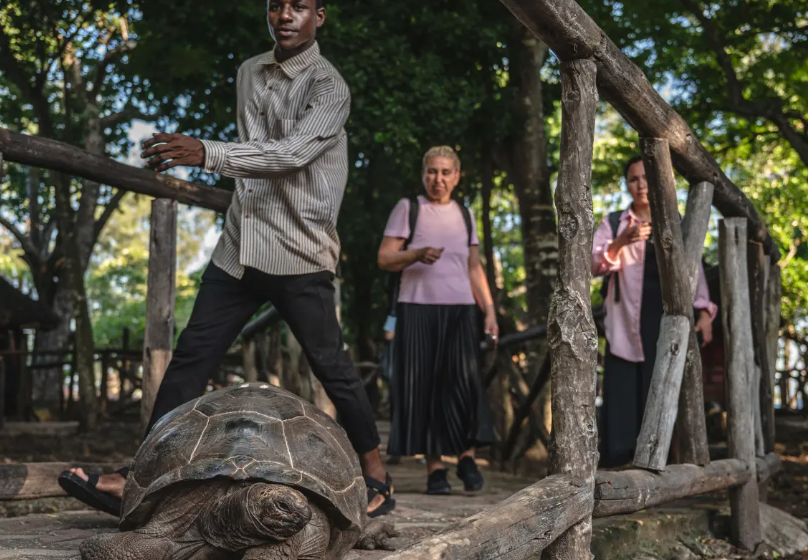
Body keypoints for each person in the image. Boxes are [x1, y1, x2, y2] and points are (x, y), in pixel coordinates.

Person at [58, 0, 395, 519]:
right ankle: (140, 477)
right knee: (191, 357)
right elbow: (255, 149)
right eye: (276, 4)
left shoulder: (330, 88)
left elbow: (290, 154)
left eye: (299, 6)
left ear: (319, 16)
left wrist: (207, 153)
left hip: (299, 250)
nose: (285, 14)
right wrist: (217, 160)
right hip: (241, 245)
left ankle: (376, 474)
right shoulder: (249, 72)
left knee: (332, 366)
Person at [377, 146, 498, 494]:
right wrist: (415, 254)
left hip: (461, 310)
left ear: (457, 177)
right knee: (426, 388)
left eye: (445, 172)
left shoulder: (465, 214)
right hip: (417, 309)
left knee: (464, 384)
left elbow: (474, 268)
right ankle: (435, 470)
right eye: (432, 171)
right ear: (423, 174)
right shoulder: (408, 209)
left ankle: (466, 458)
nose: (438, 179)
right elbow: (384, 258)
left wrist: (488, 311)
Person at [592, 155, 717, 468]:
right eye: (634, 179)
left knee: (657, 391)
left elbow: (694, 271)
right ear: (627, 185)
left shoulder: (676, 221)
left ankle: (656, 466)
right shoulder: (614, 221)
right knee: (620, 392)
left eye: (646, 178)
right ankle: (617, 468)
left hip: (662, 319)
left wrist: (704, 312)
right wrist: (620, 242)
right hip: (623, 319)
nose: (641, 185)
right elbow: (594, 264)